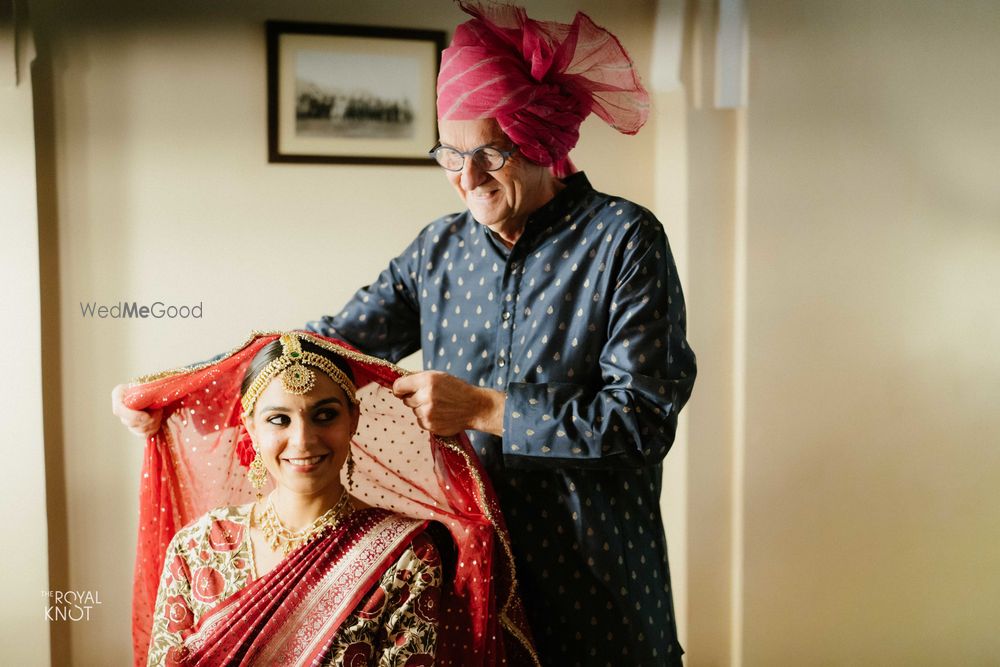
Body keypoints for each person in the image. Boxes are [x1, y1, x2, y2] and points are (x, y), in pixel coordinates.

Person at [115, 3, 696, 664]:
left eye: (491, 153)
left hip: (594, 586)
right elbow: (322, 346)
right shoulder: (439, 250)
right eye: (450, 154)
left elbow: (642, 421)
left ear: (539, 140)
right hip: (470, 580)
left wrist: (483, 408)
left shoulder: (624, 240)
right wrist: (177, 388)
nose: (467, 179)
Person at [123, 331, 537, 666]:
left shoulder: (404, 558)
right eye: (278, 419)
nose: (304, 440)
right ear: (249, 426)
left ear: (353, 417)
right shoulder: (198, 547)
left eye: (325, 415)